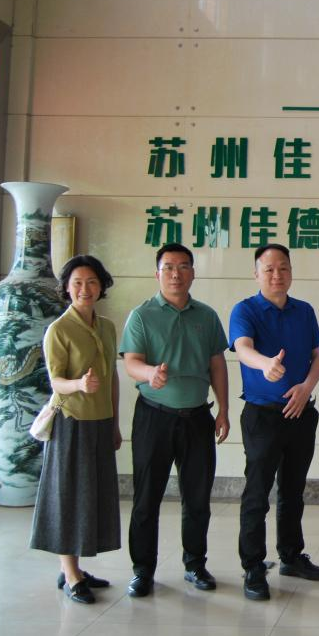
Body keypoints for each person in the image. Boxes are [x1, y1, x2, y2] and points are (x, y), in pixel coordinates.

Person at [120, 243, 230, 598]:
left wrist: (224, 410)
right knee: (146, 497)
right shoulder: (142, 315)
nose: (176, 274)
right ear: (157, 274)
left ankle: (195, 564)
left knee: (197, 498)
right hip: (154, 416)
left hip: (197, 417)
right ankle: (142, 570)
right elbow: (131, 362)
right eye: (168, 267)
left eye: (183, 267)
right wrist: (150, 373)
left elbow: (217, 364)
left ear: (193, 273)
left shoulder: (206, 316)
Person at [230, 243, 319, 600]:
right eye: (269, 269)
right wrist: (265, 364)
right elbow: (242, 347)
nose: (277, 275)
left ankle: (291, 556)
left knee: (293, 490)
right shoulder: (245, 309)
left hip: (301, 412)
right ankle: (253, 566)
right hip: (263, 415)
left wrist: (306, 387)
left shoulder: (304, 311)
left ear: (291, 272)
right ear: (256, 273)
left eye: (283, 268)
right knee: (257, 493)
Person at [30, 255, 121, 604]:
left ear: (102, 286)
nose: (85, 289)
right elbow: (55, 381)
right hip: (71, 422)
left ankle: (76, 569)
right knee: (68, 496)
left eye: (92, 282)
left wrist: (115, 423)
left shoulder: (107, 327)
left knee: (91, 496)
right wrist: (79, 384)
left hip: (100, 423)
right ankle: (69, 574)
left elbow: (112, 378)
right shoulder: (59, 329)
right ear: (66, 288)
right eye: (78, 283)